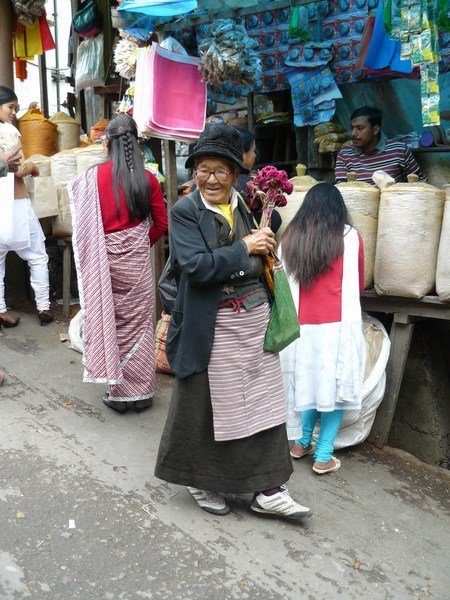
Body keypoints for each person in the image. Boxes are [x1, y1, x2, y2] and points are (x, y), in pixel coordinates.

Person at [155, 123, 310, 521]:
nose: (210, 178)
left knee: (261, 402)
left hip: (252, 320)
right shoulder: (185, 211)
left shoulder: (244, 204)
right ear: (194, 172)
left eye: (220, 170)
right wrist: (245, 248)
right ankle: (201, 479)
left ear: (235, 175)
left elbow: (257, 259)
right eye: (202, 169)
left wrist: (262, 246)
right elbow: (195, 267)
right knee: (208, 406)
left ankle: (269, 488)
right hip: (212, 324)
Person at [69, 114, 168, 413]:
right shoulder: (148, 178)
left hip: (104, 262)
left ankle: (118, 393)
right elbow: (161, 223)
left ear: (107, 142)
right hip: (137, 263)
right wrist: (138, 243)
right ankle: (141, 393)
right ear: (137, 142)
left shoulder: (90, 178)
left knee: (111, 322)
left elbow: (85, 226)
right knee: (138, 325)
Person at [280, 184, 366, 474]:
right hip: (337, 327)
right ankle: (323, 456)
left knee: (306, 382)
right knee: (334, 389)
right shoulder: (349, 237)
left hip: (299, 327)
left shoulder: (290, 238)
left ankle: (301, 443)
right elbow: (360, 282)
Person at [0, 86, 54, 327]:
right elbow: (16, 169)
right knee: (38, 256)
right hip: (17, 203)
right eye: (10, 107)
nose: (13, 112)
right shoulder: (8, 132)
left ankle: (1, 310)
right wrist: (32, 167)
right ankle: (44, 306)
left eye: (15, 108)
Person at [335, 106, 424, 184]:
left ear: (375, 130)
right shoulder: (345, 154)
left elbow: (421, 182)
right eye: (352, 128)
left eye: (360, 128)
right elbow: (341, 190)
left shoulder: (399, 150)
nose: (353, 133)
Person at [234, 127, 282, 233]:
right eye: (253, 150)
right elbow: (274, 220)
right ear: (242, 153)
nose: (255, 155)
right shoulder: (246, 184)